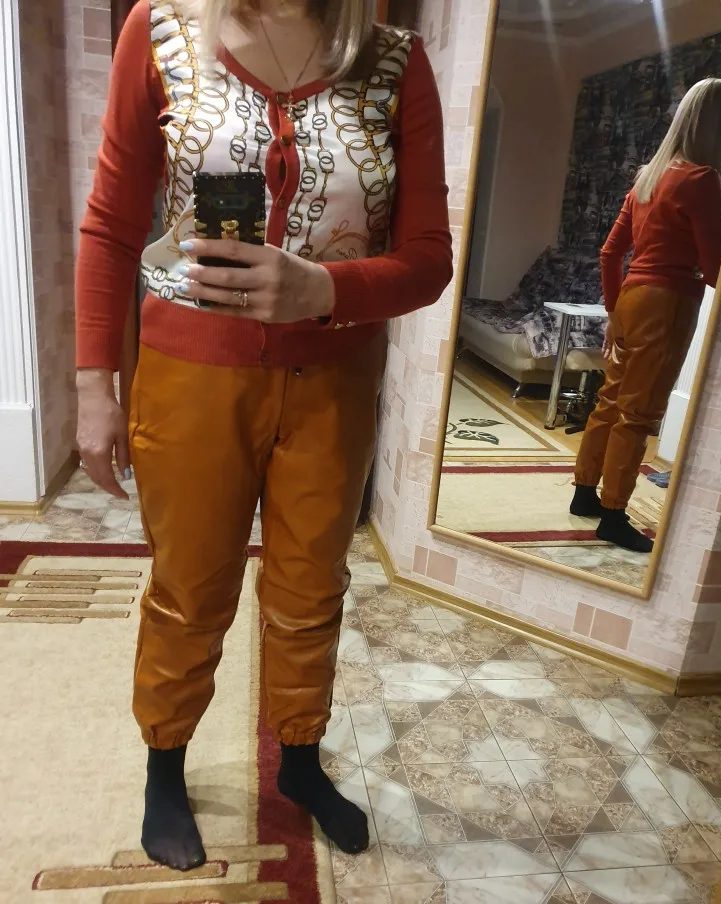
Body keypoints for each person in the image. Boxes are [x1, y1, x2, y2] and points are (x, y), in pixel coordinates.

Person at [75, 0, 452, 871]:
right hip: (190, 375)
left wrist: (325, 290)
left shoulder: (394, 62)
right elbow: (111, 225)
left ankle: (302, 763)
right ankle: (165, 766)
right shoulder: (161, 31)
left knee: (311, 587)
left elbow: (430, 256)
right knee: (188, 587)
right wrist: (95, 384)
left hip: (335, 385)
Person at [571, 78, 721, 553]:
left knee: (610, 401)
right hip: (667, 305)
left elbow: (609, 253)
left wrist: (612, 310)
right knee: (638, 414)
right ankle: (613, 515)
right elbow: (716, 270)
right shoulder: (702, 180)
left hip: (632, 299)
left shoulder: (649, 178)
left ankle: (585, 493)